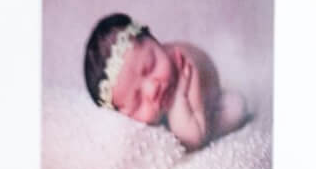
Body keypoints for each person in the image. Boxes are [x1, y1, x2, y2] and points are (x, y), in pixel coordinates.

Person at [84, 14, 247, 152]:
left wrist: (179, 95)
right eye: (137, 100)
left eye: (150, 66)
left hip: (208, 104)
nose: (152, 89)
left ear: (155, 41)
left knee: (235, 107)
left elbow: (193, 138)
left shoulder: (184, 65)